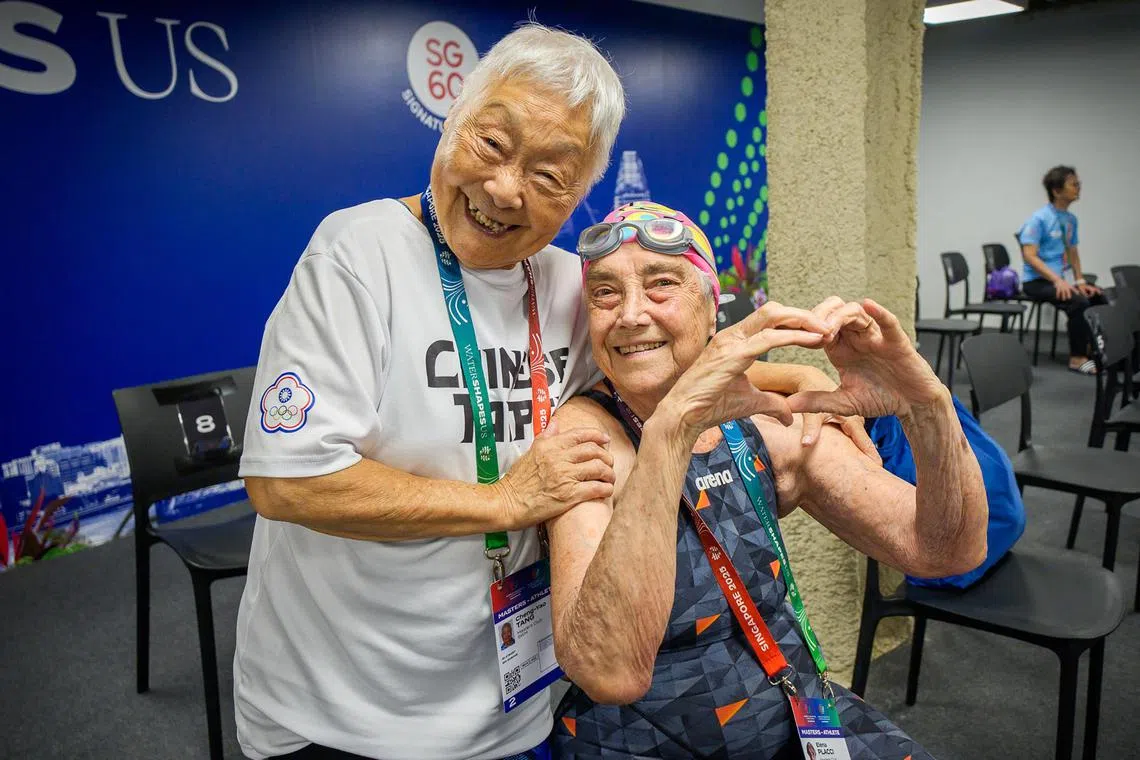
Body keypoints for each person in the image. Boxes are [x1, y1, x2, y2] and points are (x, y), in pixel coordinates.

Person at [234, 23, 871, 760]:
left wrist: (796, 381)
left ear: (578, 197)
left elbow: (659, 369)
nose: (504, 190)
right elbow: (289, 482)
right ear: (453, 120)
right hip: (345, 711)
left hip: (515, 706)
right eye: (492, 144)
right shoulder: (358, 255)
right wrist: (506, 501)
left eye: (549, 176)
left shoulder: (568, 282)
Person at [547, 201, 988, 759]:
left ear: (712, 313)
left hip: (797, 714)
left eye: (661, 285)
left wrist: (925, 406)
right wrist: (672, 430)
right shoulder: (584, 439)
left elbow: (947, 550)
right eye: (605, 293)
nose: (631, 314)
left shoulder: (761, 422)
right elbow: (609, 671)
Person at [1018, 165, 1106, 374]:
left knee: (1098, 297)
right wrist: (1057, 281)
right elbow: (1029, 255)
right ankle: (1077, 358)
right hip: (1037, 282)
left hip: (1059, 279)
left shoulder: (1070, 219)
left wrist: (1080, 281)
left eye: (1078, 183)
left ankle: (1095, 351)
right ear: (1057, 191)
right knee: (1078, 302)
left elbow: (1072, 251)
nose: (1078, 187)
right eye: (1073, 184)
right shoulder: (1039, 219)